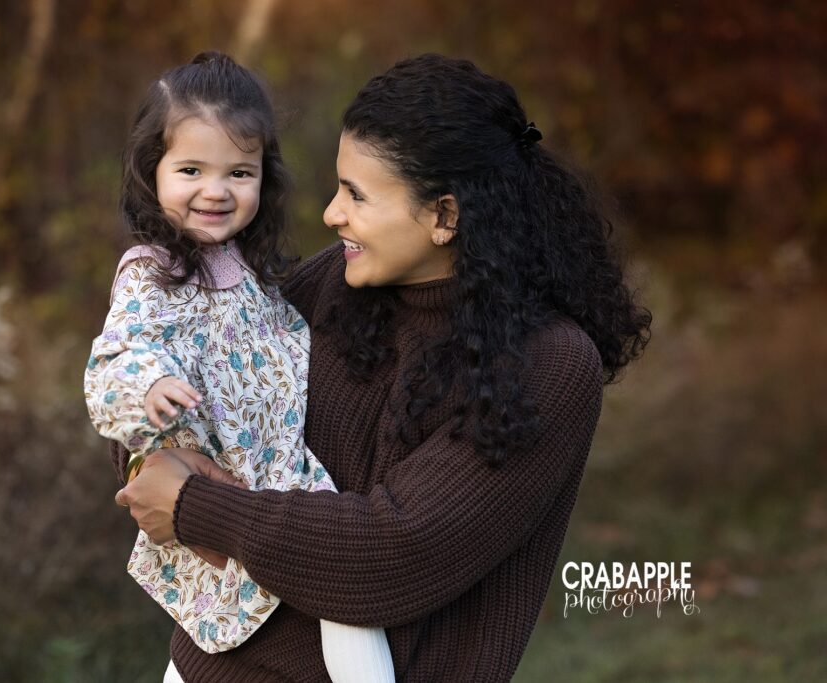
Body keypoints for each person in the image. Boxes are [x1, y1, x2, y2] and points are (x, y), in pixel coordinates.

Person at [111, 53, 653, 682]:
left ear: (444, 216)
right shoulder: (333, 284)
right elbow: (187, 405)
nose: (331, 213)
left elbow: (395, 552)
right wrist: (149, 460)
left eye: (356, 195)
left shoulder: (547, 365)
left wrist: (196, 507)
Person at [84, 52, 396, 682]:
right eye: (191, 169)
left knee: (348, 607)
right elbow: (117, 354)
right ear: (153, 172)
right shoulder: (153, 273)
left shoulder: (248, 273)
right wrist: (151, 385)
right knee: (211, 652)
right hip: (223, 486)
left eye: (239, 172)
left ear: (264, 177)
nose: (216, 191)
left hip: (284, 482)